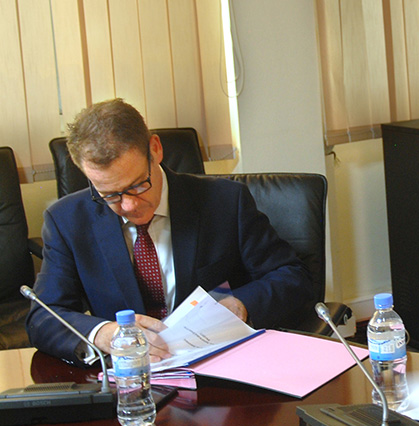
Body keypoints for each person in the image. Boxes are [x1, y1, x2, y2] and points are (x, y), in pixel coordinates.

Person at [26, 99, 314, 367]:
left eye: (138, 185)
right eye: (110, 195)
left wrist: (240, 305)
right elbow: (43, 316)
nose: (128, 205)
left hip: (220, 367)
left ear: (155, 149)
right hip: (129, 379)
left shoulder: (226, 202)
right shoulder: (67, 221)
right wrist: (104, 334)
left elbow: (292, 276)